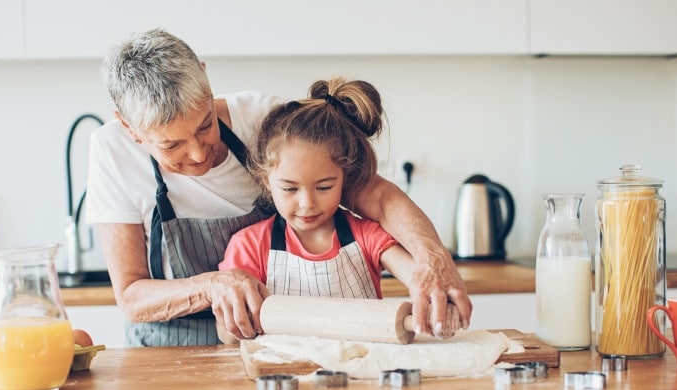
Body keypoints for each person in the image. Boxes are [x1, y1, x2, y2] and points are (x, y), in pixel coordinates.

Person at [85, 28, 472, 347]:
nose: (199, 152)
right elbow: (132, 296)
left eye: (206, 124)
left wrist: (430, 258)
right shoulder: (111, 153)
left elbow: (375, 196)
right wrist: (215, 286)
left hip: (273, 339)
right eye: (171, 145)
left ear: (206, 76)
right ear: (129, 128)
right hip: (166, 350)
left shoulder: (262, 119)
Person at [218, 77, 462, 343]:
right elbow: (228, 338)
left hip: (361, 372)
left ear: (345, 179)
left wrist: (438, 305)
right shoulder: (250, 245)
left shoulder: (366, 235)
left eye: (324, 187)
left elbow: (418, 276)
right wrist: (233, 319)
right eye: (290, 189)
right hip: (281, 375)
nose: (307, 203)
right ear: (266, 181)